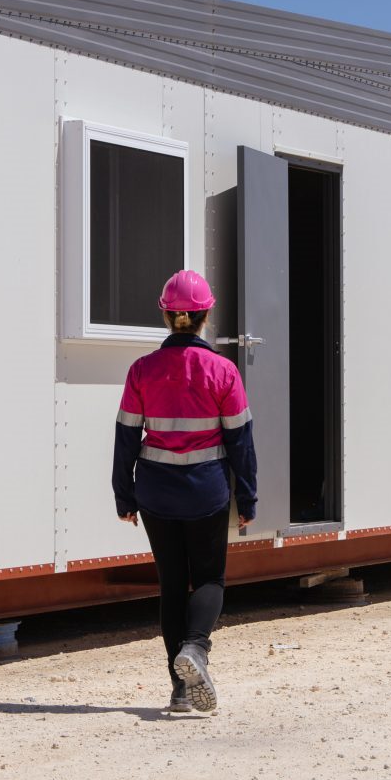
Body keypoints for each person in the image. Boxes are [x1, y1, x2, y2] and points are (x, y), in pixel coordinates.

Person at [112, 269, 258, 715]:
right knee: (210, 578)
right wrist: (247, 499)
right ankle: (196, 648)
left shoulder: (142, 370)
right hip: (206, 492)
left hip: (156, 493)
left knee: (172, 585)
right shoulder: (223, 370)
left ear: (166, 315)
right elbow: (240, 442)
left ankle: (179, 691)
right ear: (205, 316)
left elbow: (125, 438)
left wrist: (125, 496)